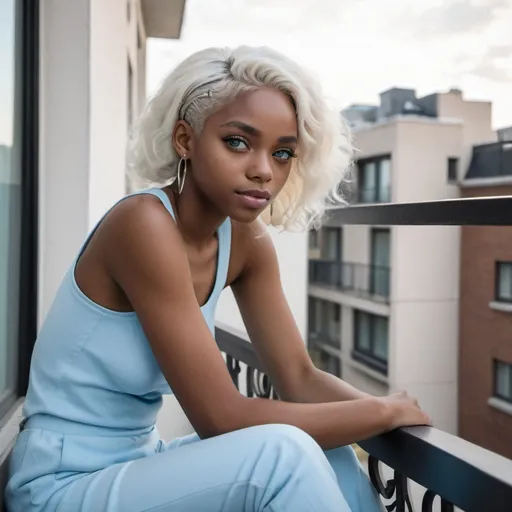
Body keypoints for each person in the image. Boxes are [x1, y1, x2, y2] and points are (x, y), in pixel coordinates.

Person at [6, 46, 430, 512]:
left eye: (282, 152)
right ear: (185, 140)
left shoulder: (246, 242)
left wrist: (396, 413)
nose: (263, 170)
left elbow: (298, 376)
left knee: (327, 449)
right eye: (238, 142)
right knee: (282, 453)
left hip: (137, 463)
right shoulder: (143, 224)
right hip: (60, 483)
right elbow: (220, 418)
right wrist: (380, 412)